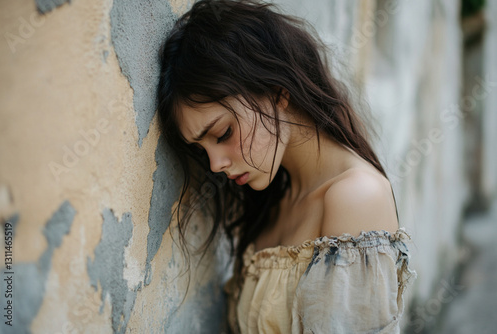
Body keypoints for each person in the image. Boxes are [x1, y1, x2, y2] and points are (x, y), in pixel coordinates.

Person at [156, 0, 417, 333]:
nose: (216, 164)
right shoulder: (272, 198)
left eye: (223, 133)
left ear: (278, 92)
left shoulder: (355, 197)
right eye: (201, 149)